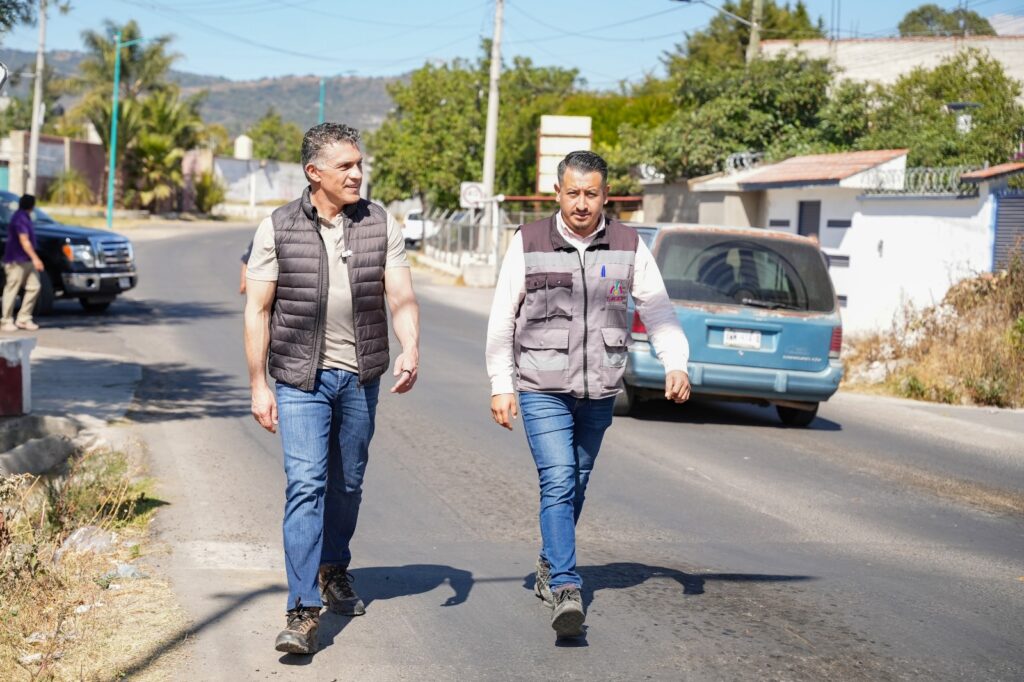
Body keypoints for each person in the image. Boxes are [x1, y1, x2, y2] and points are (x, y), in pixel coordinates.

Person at [485, 150, 691, 639]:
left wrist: (675, 362)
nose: (582, 203)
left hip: (600, 389)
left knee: (576, 481)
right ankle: (565, 587)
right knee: (558, 478)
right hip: (541, 387)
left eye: (591, 194)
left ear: (606, 195)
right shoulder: (529, 241)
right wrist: (501, 384)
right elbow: (503, 316)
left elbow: (657, 309)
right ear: (557, 193)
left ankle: (548, 560)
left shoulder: (628, 245)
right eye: (573, 193)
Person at [243, 122, 420, 655]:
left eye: (359, 163)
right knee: (306, 484)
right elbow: (257, 309)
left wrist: (410, 346)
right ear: (314, 172)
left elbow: (401, 297)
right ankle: (301, 611)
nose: (357, 174)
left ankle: (333, 566)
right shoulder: (277, 227)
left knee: (348, 484)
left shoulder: (379, 224)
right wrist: (258, 385)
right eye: (345, 166)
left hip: (360, 376)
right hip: (300, 378)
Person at [1, 194, 44, 332]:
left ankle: (24, 318)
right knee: (12, 288)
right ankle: (6, 320)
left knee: (34, 286)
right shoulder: (20, 218)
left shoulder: (25, 218)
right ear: (32, 206)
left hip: (26, 260)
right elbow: (24, 240)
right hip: (16, 260)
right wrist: (36, 258)